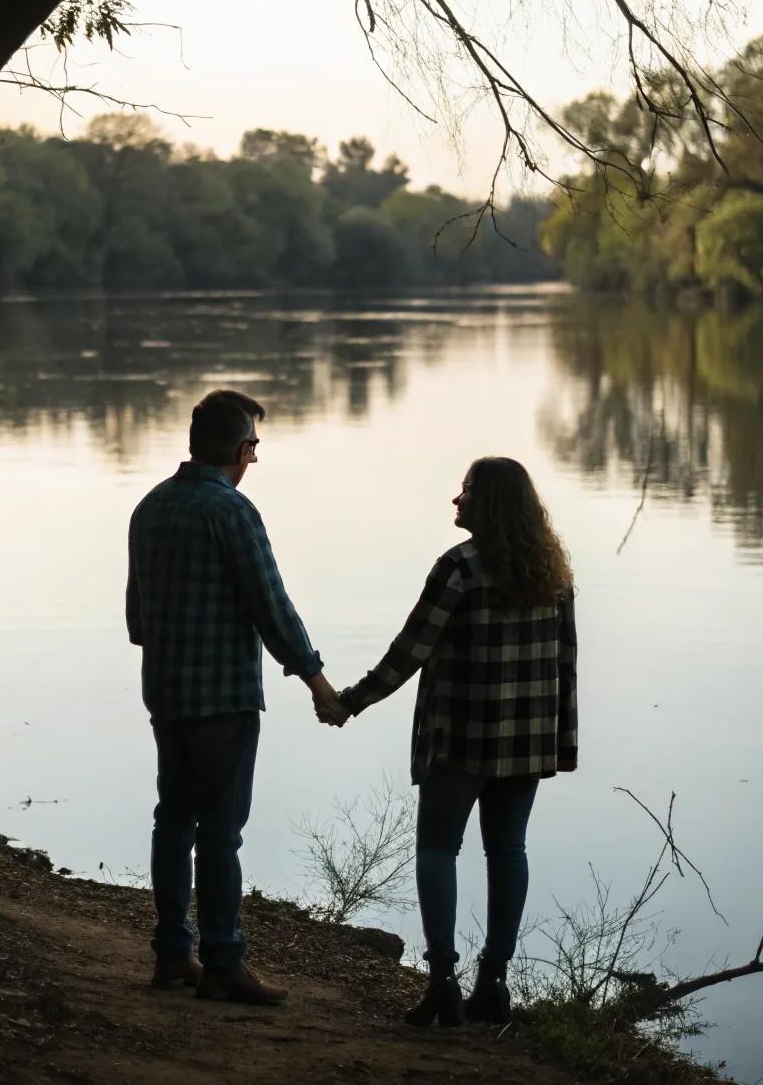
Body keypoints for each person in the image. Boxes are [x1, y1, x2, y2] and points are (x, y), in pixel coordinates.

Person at [320, 457, 578, 1028]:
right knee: (507, 851)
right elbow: (567, 663)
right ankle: (494, 984)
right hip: (526, 742)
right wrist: (562, 743)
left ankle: (441, 984)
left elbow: (410, 650)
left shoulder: (458, 568)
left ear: (487, 504)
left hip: (461, 737)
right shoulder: (553, 571)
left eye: (464, 492)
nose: (455, 502)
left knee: (439, 848)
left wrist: (348, 701)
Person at [126, 388, 342, 1006]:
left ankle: (173, 953)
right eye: (254, 446)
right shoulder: (232, 512)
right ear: (241, 448)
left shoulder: (150, 508)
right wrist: (318, 683)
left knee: (174, 819)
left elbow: (138, 618)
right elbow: (270, 605)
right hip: (223, 699)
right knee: (220, 832)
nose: (254, 460)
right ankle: (223, 962)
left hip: (166, 694)